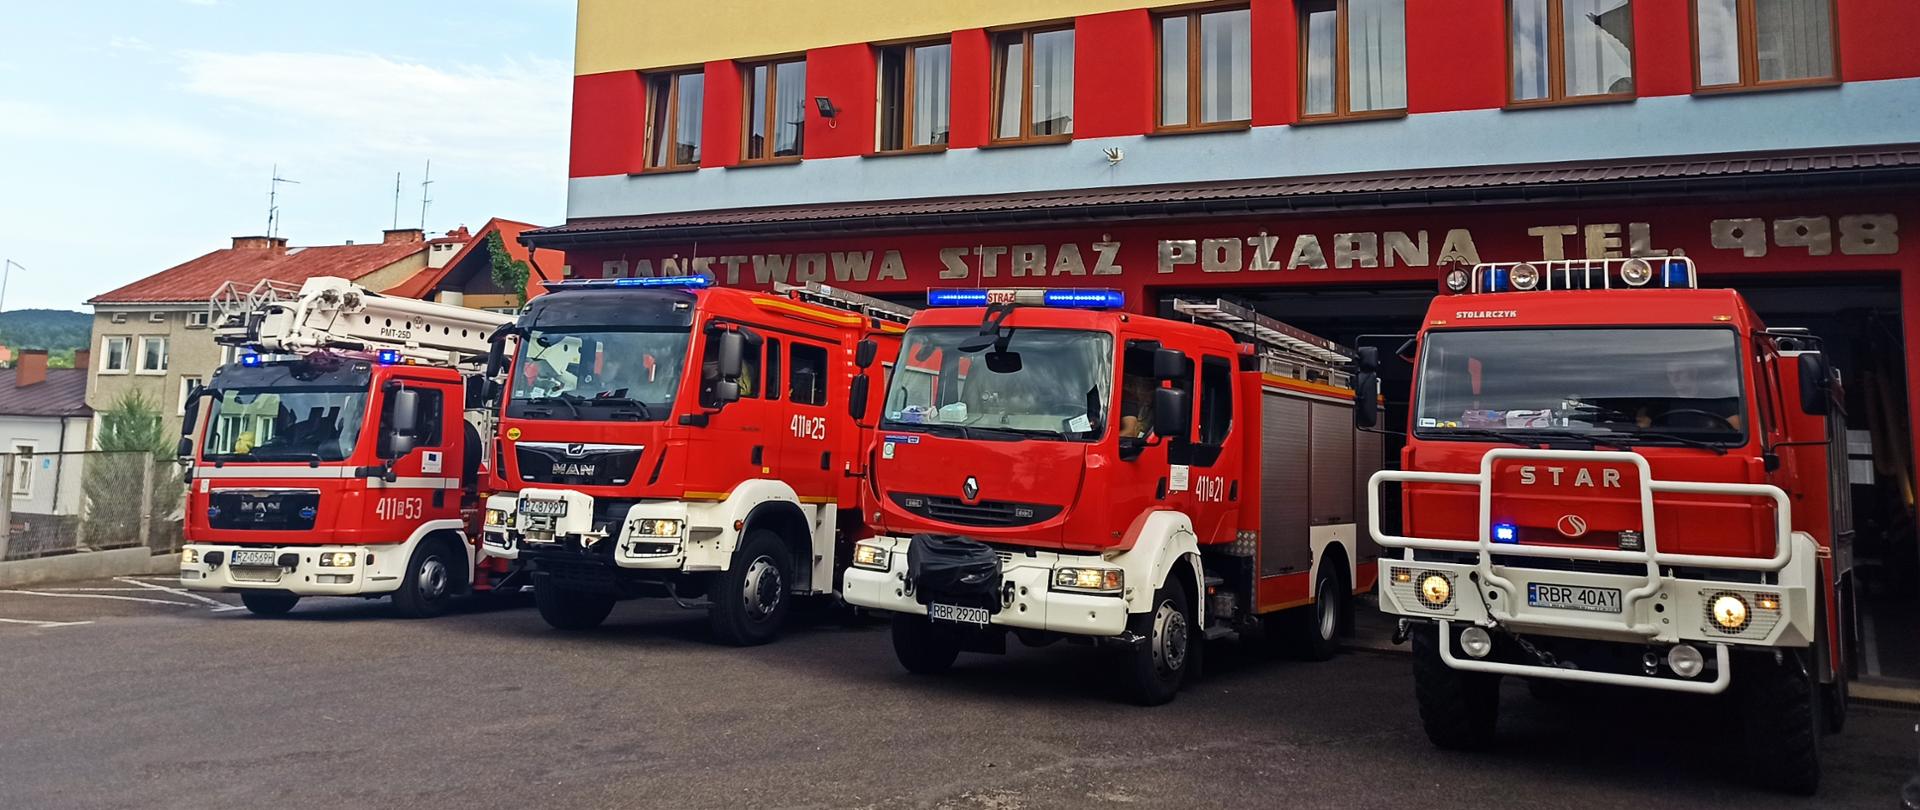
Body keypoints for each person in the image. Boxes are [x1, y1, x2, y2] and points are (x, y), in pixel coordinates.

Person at [1636, 360, 1743, 432]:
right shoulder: (1661, 402)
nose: (1675, 378)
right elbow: (1643, 427)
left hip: (1711, 448)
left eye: (1680, 373)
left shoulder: (1716, 398)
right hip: (1671, 448)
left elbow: (1737, 428)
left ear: (1693, 373)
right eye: (1671, 374)